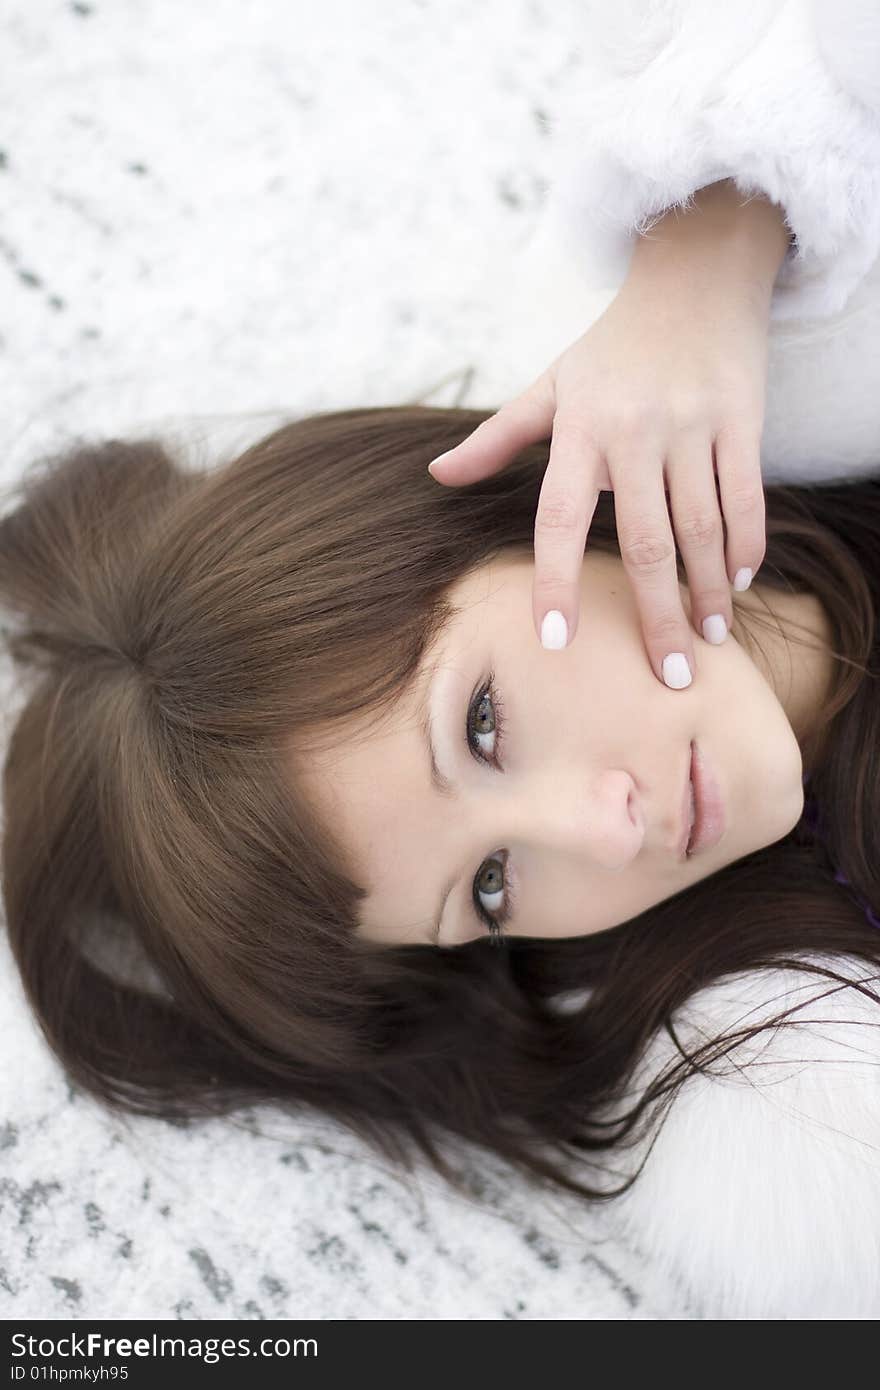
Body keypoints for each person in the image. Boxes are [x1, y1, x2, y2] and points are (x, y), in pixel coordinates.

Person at [1, 0, 879, 1317]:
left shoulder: (764, 307)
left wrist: (720, 224)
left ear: (476, 520)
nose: (604, 828)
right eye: (488, 886)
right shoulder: (803, 1109)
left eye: (480, 724)